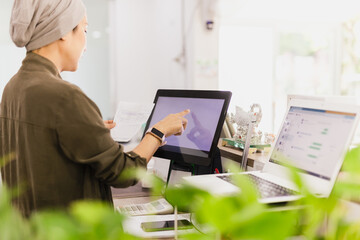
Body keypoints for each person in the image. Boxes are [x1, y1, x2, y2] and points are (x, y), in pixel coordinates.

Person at [0, 0, 189, 218]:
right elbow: (123, 173)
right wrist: (158, 132)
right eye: (84, 29)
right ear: (63, 30)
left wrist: (88, 129)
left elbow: (41, 147)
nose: (86, 44)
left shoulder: (13, 87)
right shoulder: (65, 96)